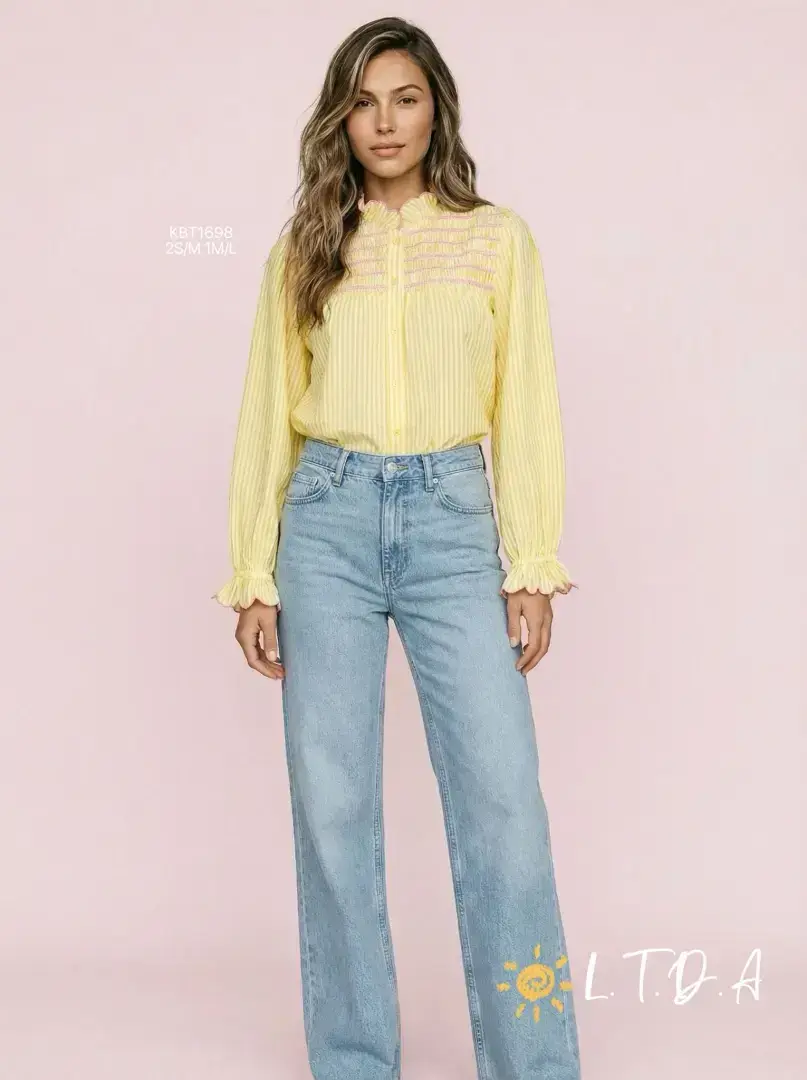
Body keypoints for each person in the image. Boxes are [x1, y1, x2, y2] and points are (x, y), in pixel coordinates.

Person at [213, 15, 582, 1080]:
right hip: (324, 522)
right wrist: (253, 572)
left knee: (504, 803)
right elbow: (267, 409)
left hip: (453, 522)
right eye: (364, 103)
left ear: (435, 112)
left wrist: (531, 559)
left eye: (405, 99)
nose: (384, 122)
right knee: (332, 809)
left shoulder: (496, 240)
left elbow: (527, 401)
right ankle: (354, 1060)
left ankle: (535, 1062)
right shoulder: (304, 248)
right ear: (341, 118)